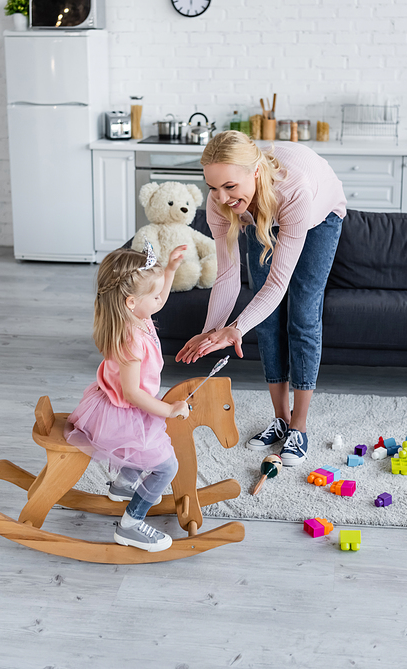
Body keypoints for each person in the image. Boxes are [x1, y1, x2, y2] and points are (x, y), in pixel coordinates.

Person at [176, 131, 347, 466]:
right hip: (261, 208)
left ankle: (299, 427)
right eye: (213, 187)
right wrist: (212, 330)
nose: (221, 197)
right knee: (265, 320)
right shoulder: (221, 203)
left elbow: (278, 283)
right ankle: (280, 419)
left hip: (318, 215)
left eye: (229, 186)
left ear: (254, 172)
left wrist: (237, 329)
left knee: (303, 314)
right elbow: (227, 276)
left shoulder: (293, 190)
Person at [65, 242, 188, 552]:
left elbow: (155, 301)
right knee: (166, 467)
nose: (161, 300)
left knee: (141, 450)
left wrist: (170, 269)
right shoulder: (131, 341)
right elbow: (133, 394)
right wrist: (168, 409)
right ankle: (131, 524)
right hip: (123, 410)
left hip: (122, 403)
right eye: (156, 295)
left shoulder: (136, 317)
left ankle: (122, 485)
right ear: (132, 301)